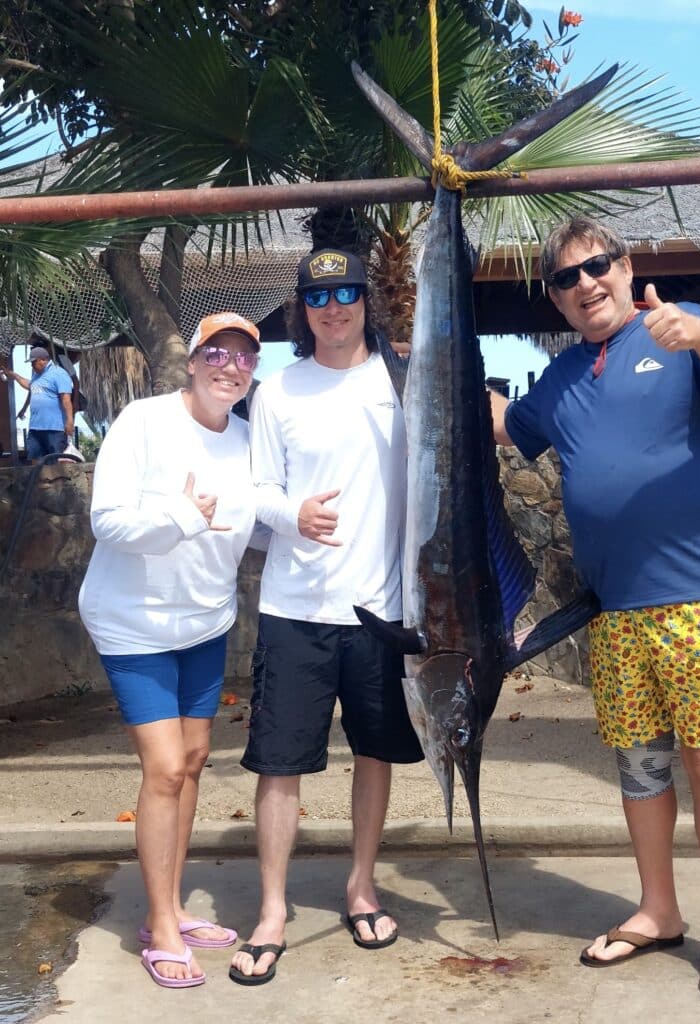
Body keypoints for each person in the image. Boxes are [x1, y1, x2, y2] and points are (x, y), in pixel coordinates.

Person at [490, 216, 700, 1010]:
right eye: (564, 279)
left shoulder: (682, 329)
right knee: (639, 768)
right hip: (613, 611)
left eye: (597, 267)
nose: (584, 285)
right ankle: (658, 907)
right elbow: (509, 425)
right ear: (554, 297)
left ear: (625, 265)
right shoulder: (562, 378)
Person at [229, 248, 423, 986]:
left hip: (383, 611)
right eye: (318, 296)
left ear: (366, 299)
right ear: (301, 310)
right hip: (295, 608)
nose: (332, 307)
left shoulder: (404, 377)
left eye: (346, 292)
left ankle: (360, 886)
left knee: (375, 754)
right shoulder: (277, 391)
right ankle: (272, 910)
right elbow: (258, 490)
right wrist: (292, 513)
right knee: (280, 765)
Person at [78, 312, 263, 989]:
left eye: (243, 357)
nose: (228, 366)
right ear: (193, 360)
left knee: (189, 761)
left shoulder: (248, 440)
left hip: (205, 624)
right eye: (216, 351)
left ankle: (175, 906)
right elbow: (109, 521)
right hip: (133, 623)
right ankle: (157, 925)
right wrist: (182, 518)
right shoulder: (144, 423)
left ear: (252, 372)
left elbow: (261, 520)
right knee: (162, 769)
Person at [0, 336, 74, 462]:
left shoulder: (59, 374)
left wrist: (69, 421)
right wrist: (14, 376)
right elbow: (30, 386)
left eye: (34, 362)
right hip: (35, 428)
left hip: (54, 429)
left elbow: (66, 400)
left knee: (55, 462)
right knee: (35, 461)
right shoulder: (37, 375)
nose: (32, 365)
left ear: (44, 360)